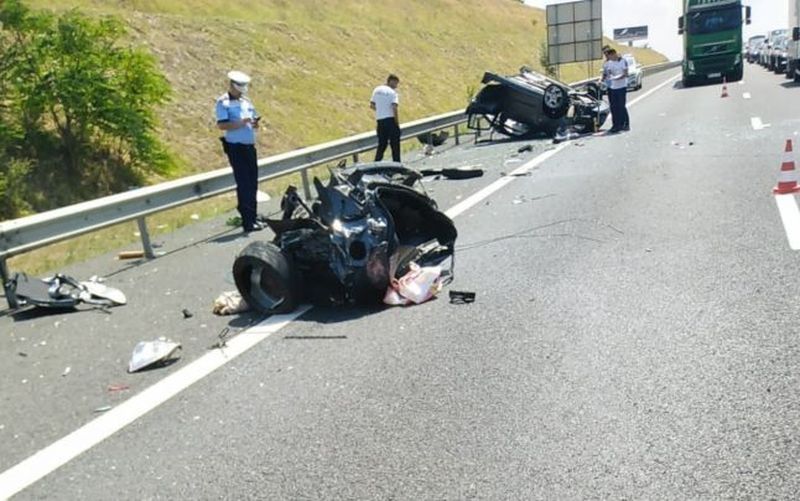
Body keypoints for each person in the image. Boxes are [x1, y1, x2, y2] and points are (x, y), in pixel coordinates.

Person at [216, 70, 263, 232]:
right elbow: (222, 125)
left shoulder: (246, 101)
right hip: (236, 147)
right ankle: (247, 221)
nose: (242, 89)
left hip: (249, 145)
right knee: (244, 183)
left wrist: (254, 123)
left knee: (253, 182)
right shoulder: (223, 102)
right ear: (233, 85)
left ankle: (253, 216)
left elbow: (253, 120)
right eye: (240, 86)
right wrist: (241, 123)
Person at [370, 74, 401, 162]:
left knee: (382, 144)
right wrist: (397, 123)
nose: (396, 86)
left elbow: (372, 105)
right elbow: (394, 107)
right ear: (391, 81)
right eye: (395, 83)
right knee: (395, 145)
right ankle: (397, 164)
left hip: (380, 121)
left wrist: (381, 110)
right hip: (391, 120)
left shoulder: (377, 90)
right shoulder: (393, 93)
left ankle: (376, 163)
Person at [602, 47, 630, 133]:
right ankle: (616, 125)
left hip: (621, 86)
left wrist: (616, 78)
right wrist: (603, 79)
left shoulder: (623, 61)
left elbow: (625, 74)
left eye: (609, 55)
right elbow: (607, 74)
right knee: (613, 107)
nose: (608, 57)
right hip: (612, 87)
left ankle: (625, 124)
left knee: (621, 106)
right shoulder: (608, 63)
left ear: (614, 54)